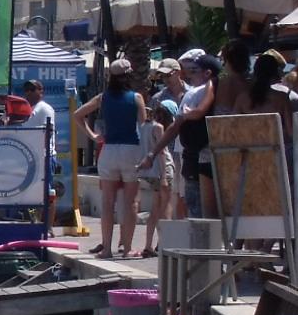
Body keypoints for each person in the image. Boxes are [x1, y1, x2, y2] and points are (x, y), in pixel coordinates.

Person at [74, 57, 147, 258]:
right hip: (131, 149)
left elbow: (78, 115)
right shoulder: (136, 98)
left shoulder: (102, 98)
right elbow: (143, 124)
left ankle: (106, 248)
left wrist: (93, 136)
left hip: (108, 149)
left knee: (107, 202)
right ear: (128, 75)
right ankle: (127, 248)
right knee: (131, 202)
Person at [145, 49, 218, 218]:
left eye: (193, 70)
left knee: (189, 199)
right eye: (162, 76)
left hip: (190, 153)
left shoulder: (193, 92)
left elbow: (188, 118)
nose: (165, 79)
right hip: (174, 151)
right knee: (176, 194)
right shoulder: (158, 97)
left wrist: (187, 114)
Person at [137, 99, 176, 258]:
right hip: (162, 169)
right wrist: (164, 178)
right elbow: (160, 152)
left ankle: (148, 245)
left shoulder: (144, 127)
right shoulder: (159, 128)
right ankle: (164, 244)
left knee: (154, 209)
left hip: (150, 173)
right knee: (166, 209)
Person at [21, 80, 59, 226]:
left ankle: (48, 227)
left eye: (32, 89)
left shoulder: (44, 108)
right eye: (26, 89)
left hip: (44, 156)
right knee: (28, 192)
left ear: (40, 91)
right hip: (28, 157)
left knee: (47, 192)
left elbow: (47, 133)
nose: (28, 92)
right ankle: (32, 223)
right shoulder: (25, 109)